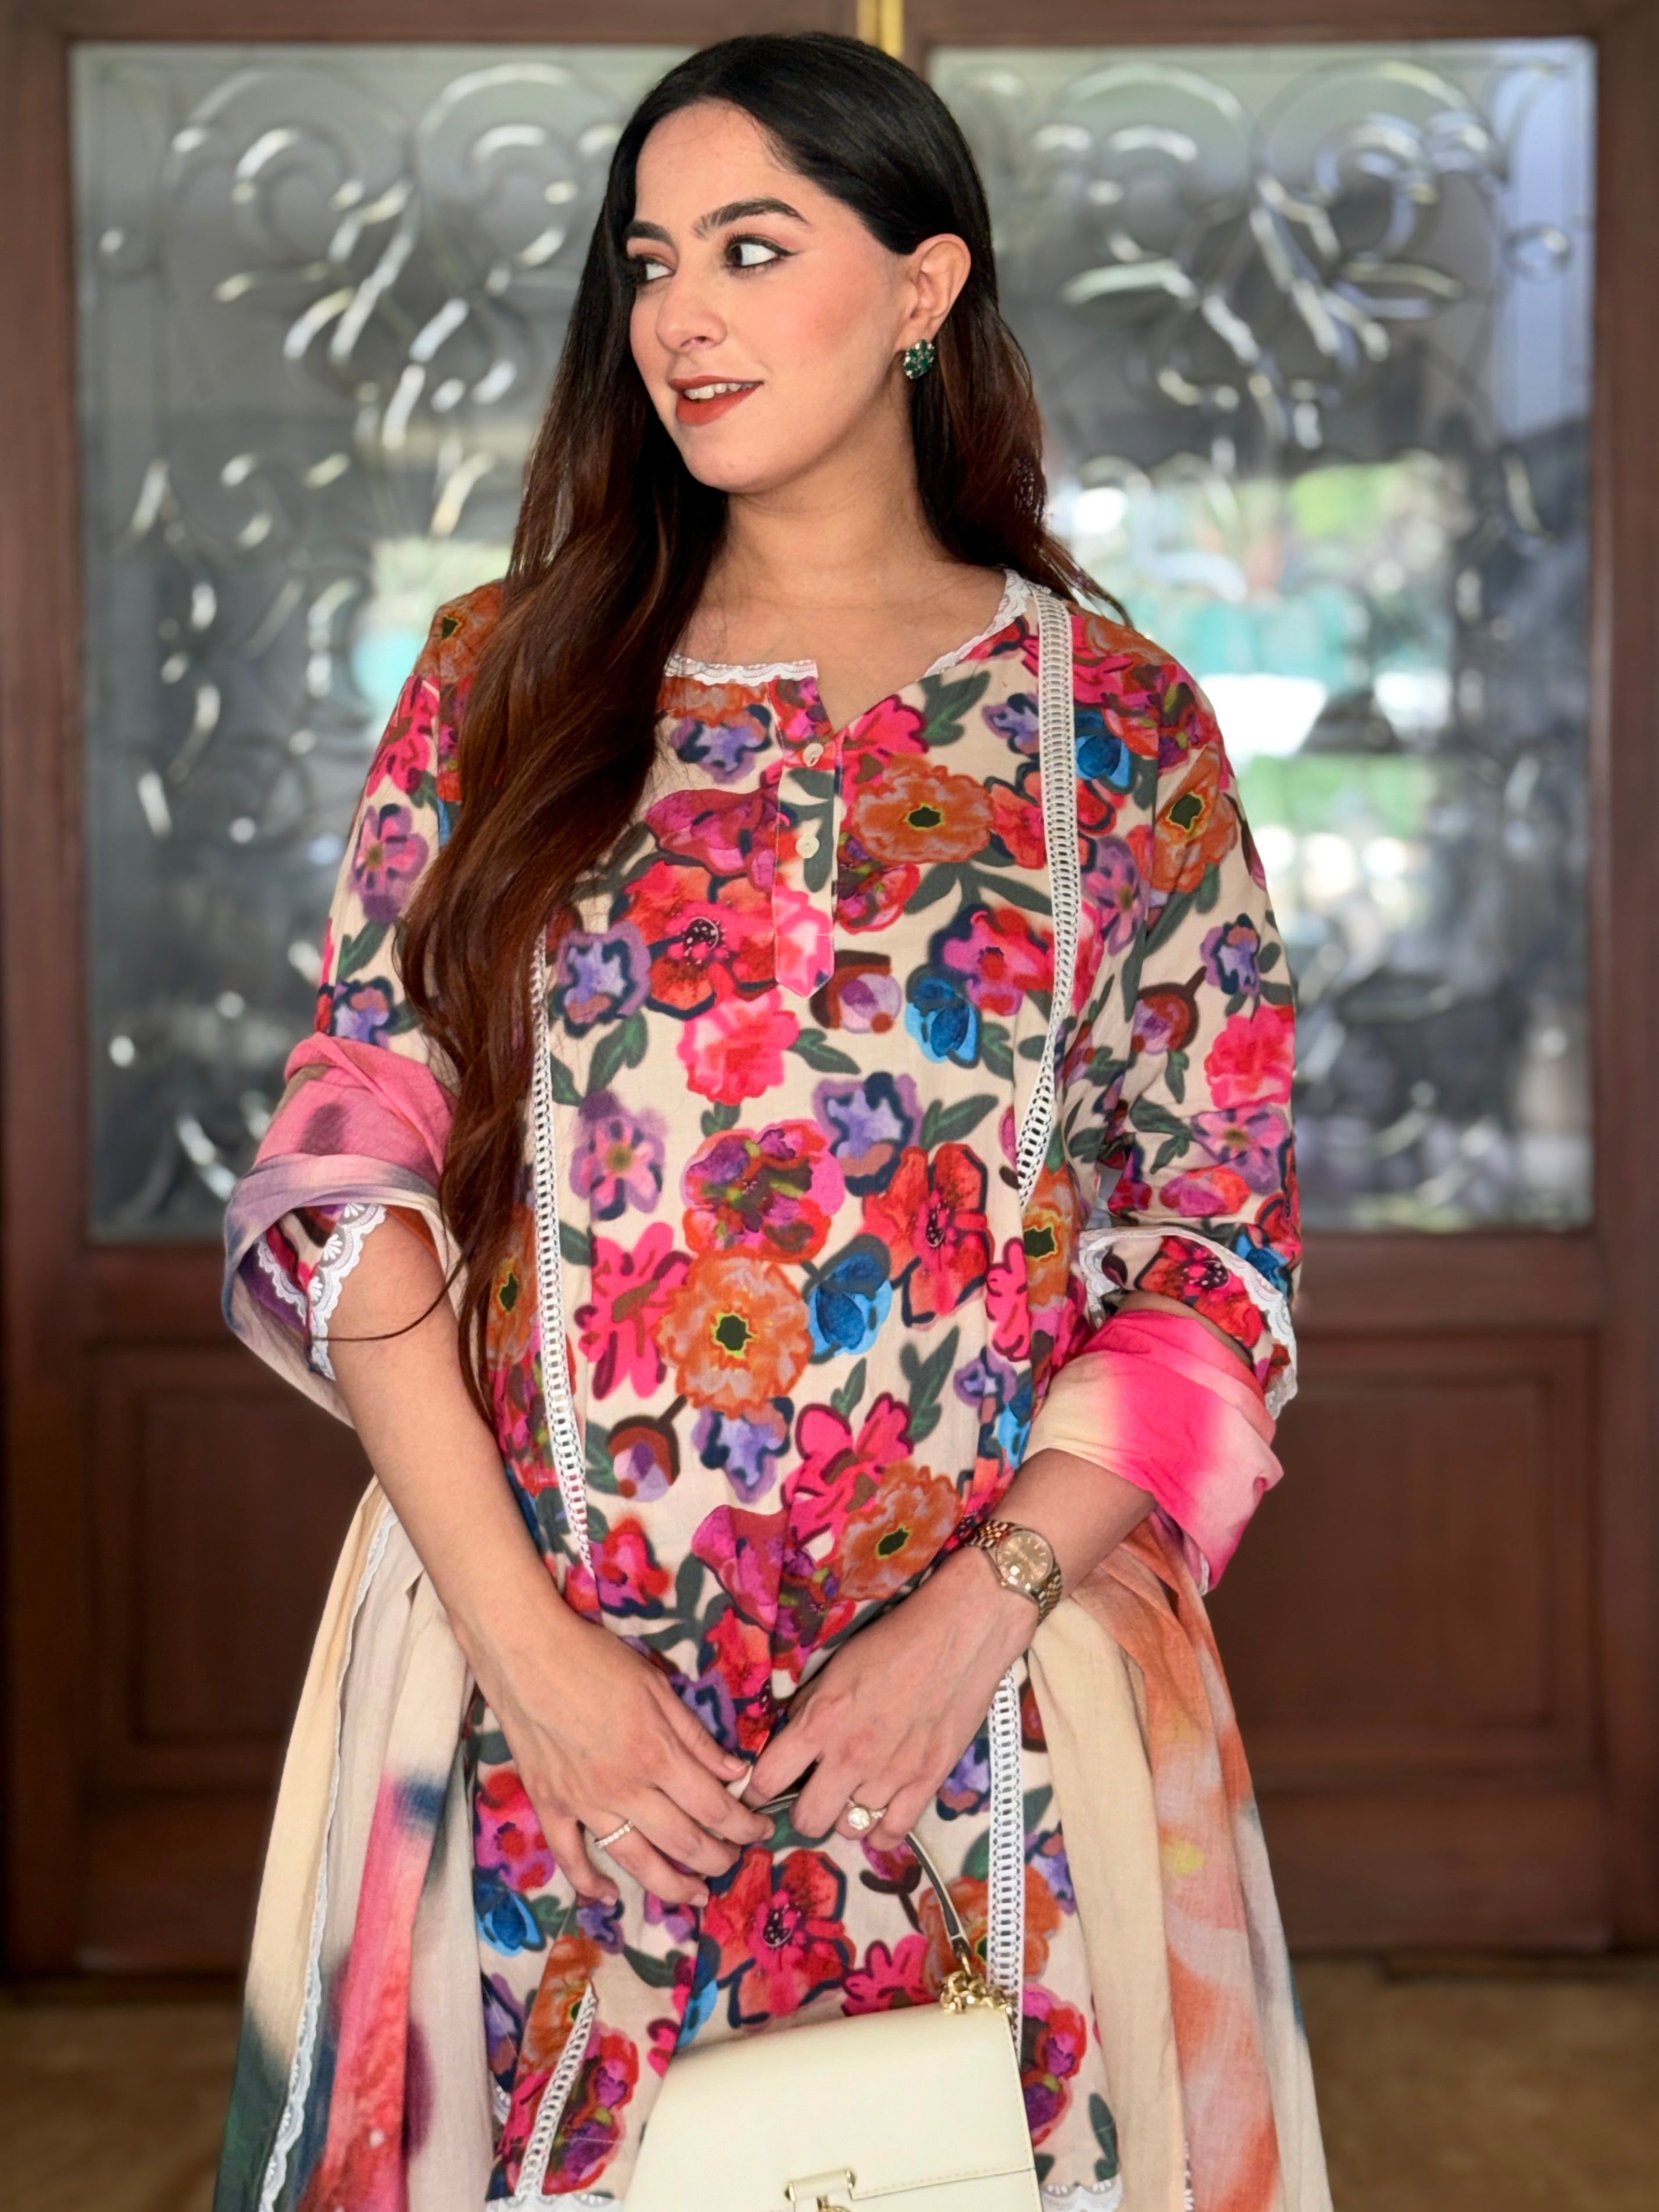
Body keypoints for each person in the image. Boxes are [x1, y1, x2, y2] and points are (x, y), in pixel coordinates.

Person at [215, 33, 1327, 2212]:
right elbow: (350, 1185)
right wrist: (532, 1656)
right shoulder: (506, 680)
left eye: (751, 249)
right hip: (559, 1724)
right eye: (649, 264)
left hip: (982, 1734)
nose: (681, 320)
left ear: (923, 286)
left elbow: (1215, 1253)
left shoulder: (1118, 729)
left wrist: (977, 1619)